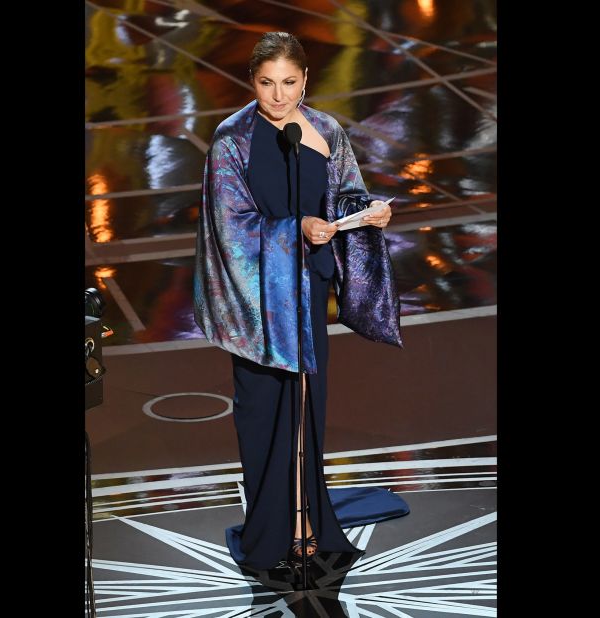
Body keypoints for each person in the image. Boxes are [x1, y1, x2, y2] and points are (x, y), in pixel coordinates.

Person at [194, 32, 408, 571]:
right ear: (252, 82)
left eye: (289, 83)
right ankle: (271, 531)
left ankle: (308, 519)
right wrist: (295, 229)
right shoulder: (231, 141)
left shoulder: (327, 130)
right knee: (265, 412)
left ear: (306, 80)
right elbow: (229, 229)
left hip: (307, 293)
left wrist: (368, 213)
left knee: (307, 410)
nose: (278, 95)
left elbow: (345, 196)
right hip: (257, 306)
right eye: (267, 84)